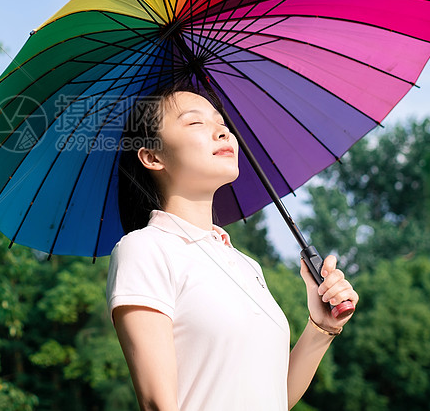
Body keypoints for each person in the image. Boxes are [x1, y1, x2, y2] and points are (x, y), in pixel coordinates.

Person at [106, 81, 359, 411]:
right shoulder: (144, 249)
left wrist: (321, 328)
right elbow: (158, 404)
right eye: (196, 122)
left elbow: (273, 397)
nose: (223, 133)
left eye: (222, 124)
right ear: (152, 156)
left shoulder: (245, 265)